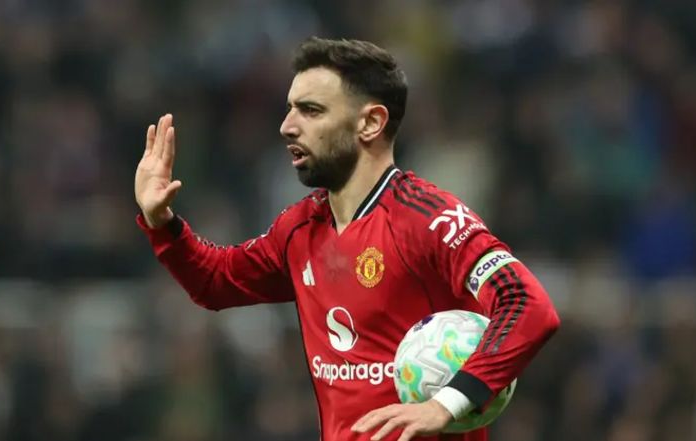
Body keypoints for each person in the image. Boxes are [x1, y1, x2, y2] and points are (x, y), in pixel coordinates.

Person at [134, 37, 560, 441]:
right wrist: (161, 222)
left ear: (371, 123)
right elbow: (216, 281)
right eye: (289, 109)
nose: (287, 127)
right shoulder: (298, 229)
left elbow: (526, 304)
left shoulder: (428, 219)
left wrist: (446, 403)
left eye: (311, 110)